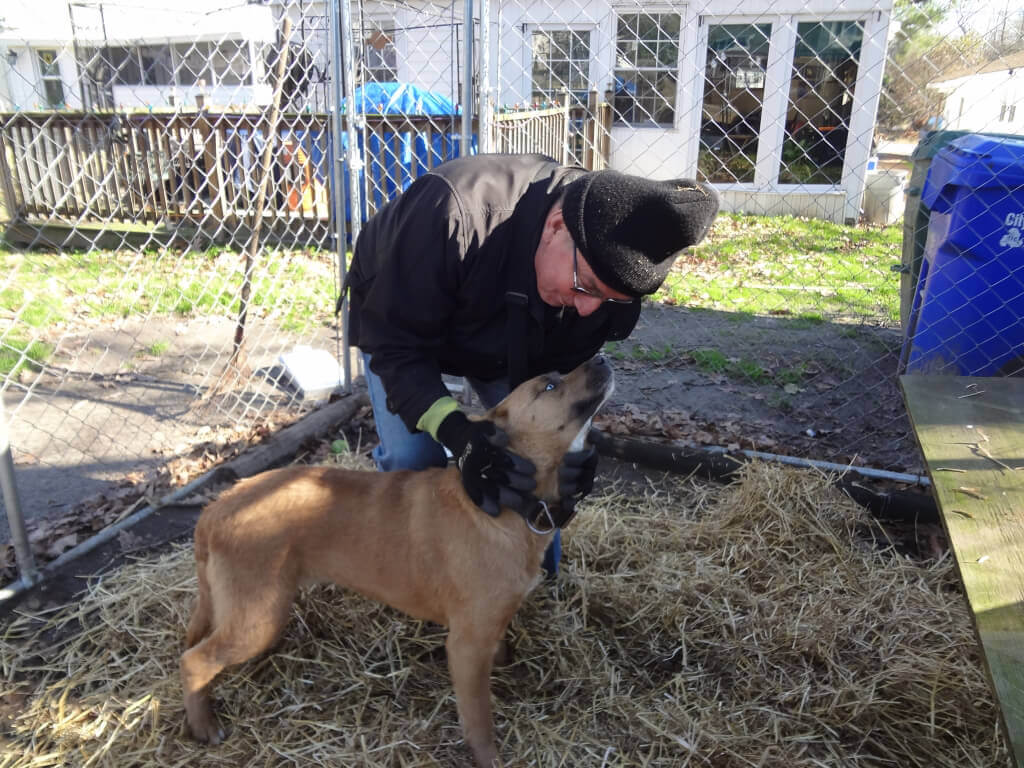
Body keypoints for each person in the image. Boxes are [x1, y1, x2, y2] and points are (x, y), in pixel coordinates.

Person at [344, 153, 718, 577]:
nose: (587, 307)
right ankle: (415, 577)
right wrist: (459, 434)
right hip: (404, 317)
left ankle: (537, 581)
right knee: (413, 454)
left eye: (610, 299)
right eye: (586, 286)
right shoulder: (454, 212)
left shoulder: (606, 289)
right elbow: (396, 347)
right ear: (556, 225)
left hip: (512, 332)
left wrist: (572, 451)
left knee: (533, 463)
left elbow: (561, 390)